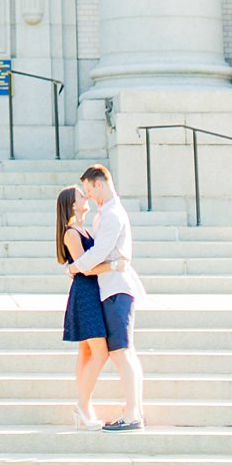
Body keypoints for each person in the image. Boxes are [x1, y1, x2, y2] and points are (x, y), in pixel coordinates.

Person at [68, 163, 148, 431]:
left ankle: (133, 414)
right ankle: (133, 410)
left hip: (117, 289)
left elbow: (100, 250)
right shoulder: (107, 213)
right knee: (125, 352)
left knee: (122, 352)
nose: (87, 195)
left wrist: (75, 266)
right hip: (112, 288)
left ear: (99, 183)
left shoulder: (112, 214)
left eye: (89, 189)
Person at [57, 183, 113, 427]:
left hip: (91, 291)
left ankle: (84, 405)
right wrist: (113, 266)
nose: (86, 196)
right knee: (101, 352)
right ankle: (82, 405)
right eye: (82, 195)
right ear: (72, 204)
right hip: (85, 293)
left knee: (87, 351)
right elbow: (85, 267)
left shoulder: (84, 229)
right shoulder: (71, 232)